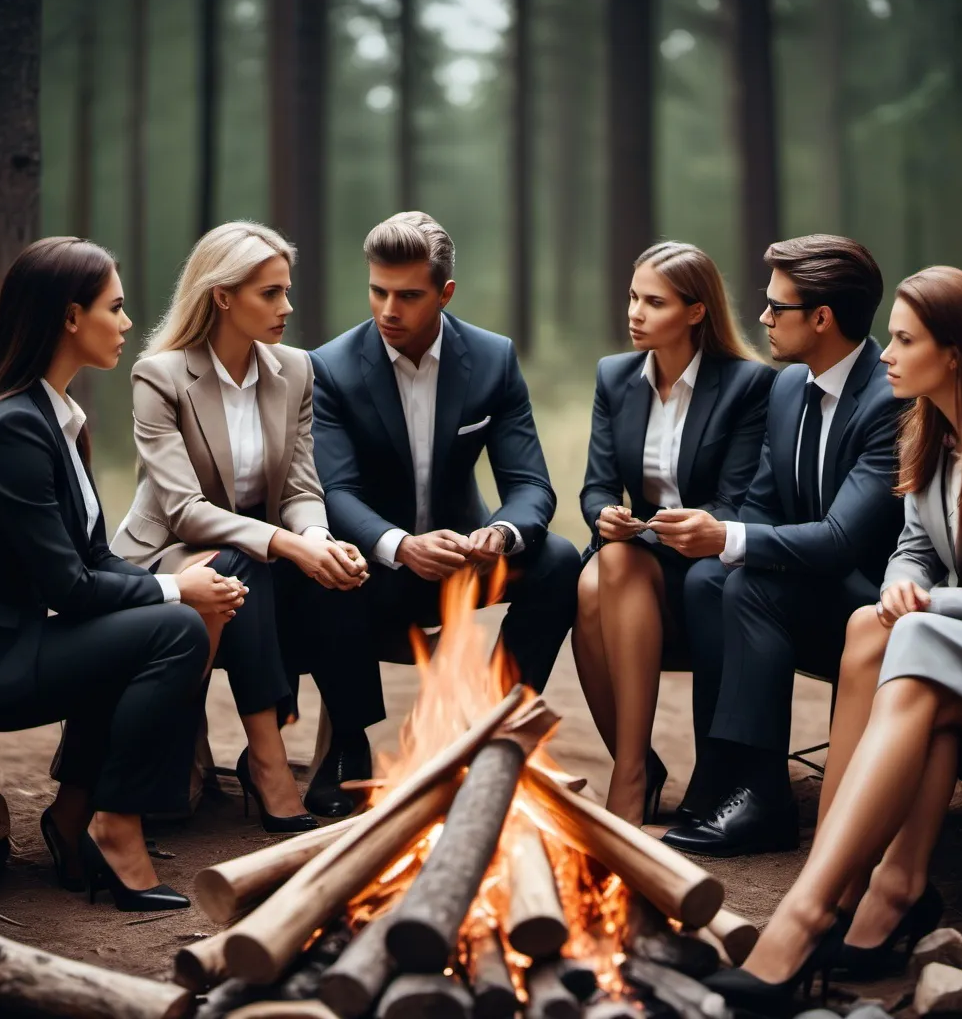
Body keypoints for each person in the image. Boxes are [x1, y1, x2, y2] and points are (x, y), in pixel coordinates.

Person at [705, 265, 962, 1013]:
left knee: (912, 645)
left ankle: (814, 909)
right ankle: (868, 883)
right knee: (871, 624)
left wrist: (931, 606)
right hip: (957, 647)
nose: (885, 353)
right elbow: (916, 545)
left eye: (904, 339)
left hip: (961, 636)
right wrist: (900, 581)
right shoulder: (933, 435)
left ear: (953, 353)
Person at [0, 237, 242, 911]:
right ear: (70, 317)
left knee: (166, 613)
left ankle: (74, 814)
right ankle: (116, 822)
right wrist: (174, 591)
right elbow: (69, 589)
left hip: (13, 643)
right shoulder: (12, 431)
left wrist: (180, 577)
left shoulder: (58, 420)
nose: (128, 323)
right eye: (115, 307)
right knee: (172, 631)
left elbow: (94, 561)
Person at [112, 221, 384, 825]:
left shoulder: (296, 370)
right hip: (168, 552)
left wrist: (317, 539)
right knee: (247, 564)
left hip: (257, 554)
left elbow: (301, 489)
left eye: (287, 290)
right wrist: (287, 543)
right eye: (270, 293)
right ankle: (267, 761)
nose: (287, 307)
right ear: (223, 296)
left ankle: (348, 747)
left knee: (342, 570)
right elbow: (184, 509)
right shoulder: (159, 377)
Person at [658, 234, 906, 857]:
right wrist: (719, 535)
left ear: (822, 318)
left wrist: (728, 536)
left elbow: (843, 541)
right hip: (806, 586)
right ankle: (725, 777)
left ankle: (763, 798)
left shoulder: (890, 400)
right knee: (707, 578)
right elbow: (762, 508)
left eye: (777, 307)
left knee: (743, 578)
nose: (763, 318)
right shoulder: (789, 388)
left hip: (874, 604)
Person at [310, 211, 581, 696]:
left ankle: (498, 722)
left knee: (558, 560)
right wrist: (402, 546)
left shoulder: (493, 359)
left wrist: (499, 533)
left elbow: (530, 484)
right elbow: (336, 491)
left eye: (409, 296)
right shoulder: (329, 368)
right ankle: (348, 748)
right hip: (374, 568)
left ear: (445, 293)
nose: (388, 310)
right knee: (322, 566)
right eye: (378, 291)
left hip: (466, 566)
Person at [573, 241, 774, 827]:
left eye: (654, 302)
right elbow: (596, 486)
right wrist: (606, 514)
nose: (634, 312)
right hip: (636, 554)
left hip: (706, 557)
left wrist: (656, 531)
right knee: (600, 573)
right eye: (633, 297)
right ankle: (635, 766)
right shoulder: (615, 376)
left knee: (601, 577)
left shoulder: (744, 385)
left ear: (695, 312)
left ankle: (632, 774)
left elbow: (736, 501)